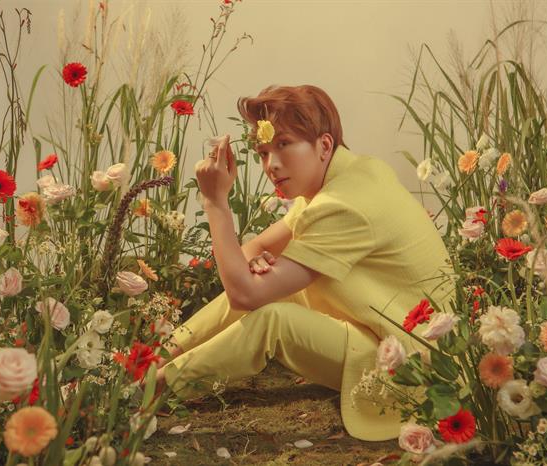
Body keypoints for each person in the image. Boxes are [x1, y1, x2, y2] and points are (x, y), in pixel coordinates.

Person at [155, 84, 454, 441]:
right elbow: (254, 250)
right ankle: (152, 359)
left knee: (273, 320)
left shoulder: (343, 204)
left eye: (284, 144)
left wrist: (216, 204)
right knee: (277, 291)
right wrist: (256, 268)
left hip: (410, 367)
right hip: (382, 332)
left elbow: (244, 294)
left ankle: (153, 388)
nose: (271, 165)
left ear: (324, 145)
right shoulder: (349, 175)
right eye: (263, 152)